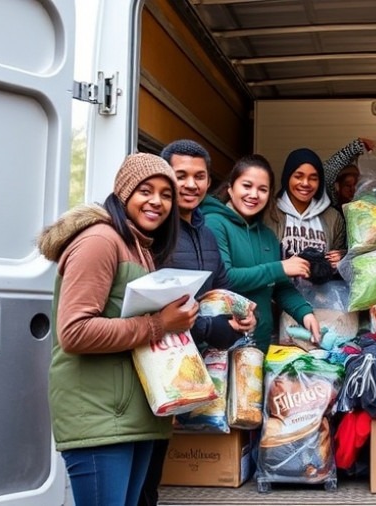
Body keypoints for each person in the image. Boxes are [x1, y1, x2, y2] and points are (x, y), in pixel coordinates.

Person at [37, 153, 199, 506]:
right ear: (124, 192)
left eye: (166, 194)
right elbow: (75, 332)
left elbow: (133, 322)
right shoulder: (99, 240)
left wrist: (181, 318)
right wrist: (159, 324)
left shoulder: (139, 246)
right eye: (145, 190)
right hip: (98, 416)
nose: (157, 201)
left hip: (133, 413)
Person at [138, 140, 257, 506]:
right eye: (181, 175)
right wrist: (209, 329)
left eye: (200, 176)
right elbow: (152, 305)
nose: (191, 184)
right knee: (142, 466)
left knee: (153, 472)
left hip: (193, 360)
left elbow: (220, 283)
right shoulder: (152, 231)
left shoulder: (204, 231)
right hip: (156, 362)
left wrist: (240, 313)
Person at [202, 154, 321, 353]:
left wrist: (305, 313)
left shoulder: (268, 236)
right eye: (247, 186)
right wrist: (280, 267)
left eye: (262, 189)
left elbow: (279, 287)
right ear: (231, 188)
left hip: (259, 345)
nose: (254, 195)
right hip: (221, 348)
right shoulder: (214, 223)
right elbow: (225, 279)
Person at [265, 148, 347, 271]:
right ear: (287, 178)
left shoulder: (333, 218)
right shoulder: (268, 212)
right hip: (277, 287)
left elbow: (340, 262)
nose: (305, 183)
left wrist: (342, 258)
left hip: (322, 289)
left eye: (313, 178)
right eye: (298, 176)